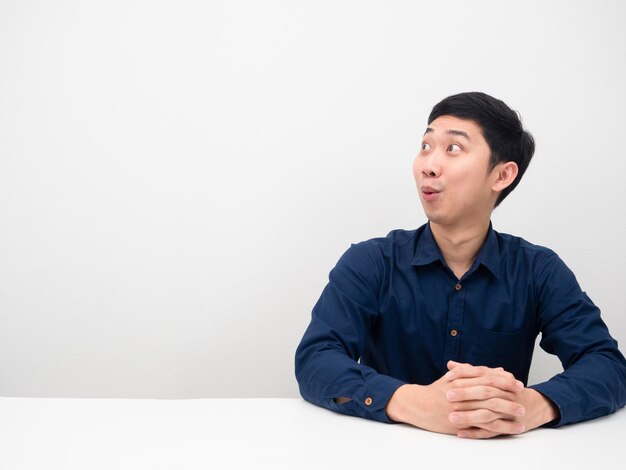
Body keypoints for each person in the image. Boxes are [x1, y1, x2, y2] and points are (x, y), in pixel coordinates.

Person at [294, 91, 626, 439]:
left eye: (453, 148)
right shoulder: (371, 262)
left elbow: (607, 365)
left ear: (501, 176)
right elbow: (316, 358)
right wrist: (415, 402)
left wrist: (532, 405)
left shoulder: (537, 270)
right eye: (425, 146)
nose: (428, 165)